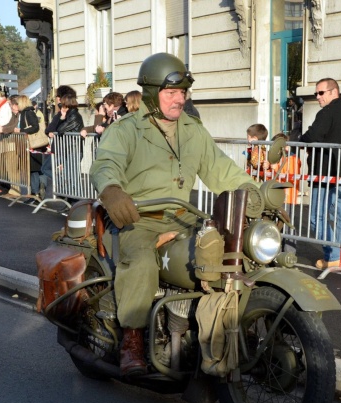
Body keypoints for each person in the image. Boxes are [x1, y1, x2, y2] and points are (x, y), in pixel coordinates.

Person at [90, 52, 254, 377]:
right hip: (137, 219)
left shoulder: (193, 131)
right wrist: (112, 190)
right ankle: (132, 340)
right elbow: (105, 162)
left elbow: (223, 170)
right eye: (171, 93)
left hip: (183, 217)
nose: (179, 99)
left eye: (183, 93)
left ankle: (221, 329)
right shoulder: (126, 130)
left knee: (229, 253)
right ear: (151, 93)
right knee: (140, 262)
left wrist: (255, 192)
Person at [299, 78, 341, 269]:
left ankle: (332, 255)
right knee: (340, 215)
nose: (317, 97)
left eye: (321, 93)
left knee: (317, 217)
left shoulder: (327, 112)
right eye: (316, 93)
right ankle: (339, 255)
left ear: (333, 92)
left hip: (325, 173)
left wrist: (301, 138)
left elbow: (313, 135)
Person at [41, 92, 83, 188]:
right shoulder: (68, 115)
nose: (60, 106)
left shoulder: (74, 116)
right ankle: (65, 190)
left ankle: (73, 198)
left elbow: (60, 129)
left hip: (73, 149)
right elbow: (52, 129)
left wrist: (62, 118)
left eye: (62, 104)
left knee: (71, 177)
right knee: (65, 176)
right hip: (66, 149)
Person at [12, 94, 46, 199]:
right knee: (32, 169)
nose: (16, 105)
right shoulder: (24, 113)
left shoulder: (28, 113)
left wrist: (21, 130)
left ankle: (36, 192)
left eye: (17, 103)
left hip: (32, 144)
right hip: (28, 144)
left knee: (34, 169)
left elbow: (35, 127)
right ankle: (36, 191)